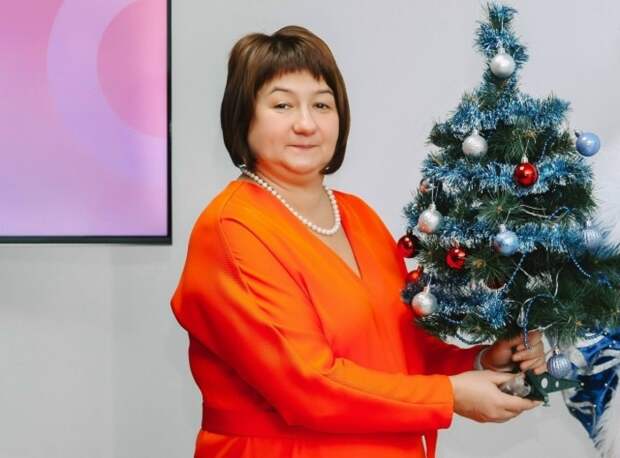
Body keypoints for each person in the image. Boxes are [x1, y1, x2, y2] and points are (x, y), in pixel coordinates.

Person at [170, 25, 546, 458]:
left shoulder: (357, 215)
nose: (306, 124)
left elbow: (404, 351)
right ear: (244, 117)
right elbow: (308, 385)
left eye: (321, 104)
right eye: (282, 104)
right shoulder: (231, 229)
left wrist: (480, 362)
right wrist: (451, 395)